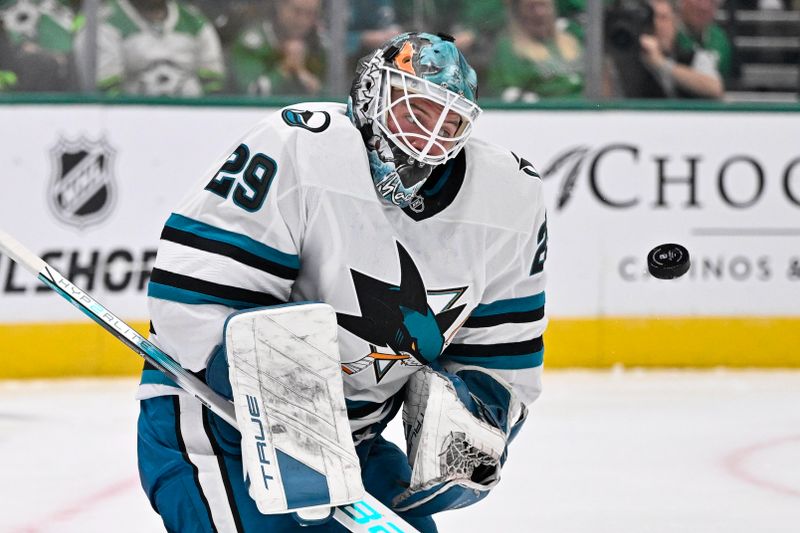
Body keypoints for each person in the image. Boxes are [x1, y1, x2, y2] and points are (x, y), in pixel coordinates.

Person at [137, 32, 548, 532]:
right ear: (371, 93)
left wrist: (470, 433)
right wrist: (285, 408)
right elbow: (196, 295)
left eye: (451, 121)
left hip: (358, 442)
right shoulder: (297, 144)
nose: (430, 135)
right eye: (414, 110)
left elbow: (502, 357)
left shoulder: (509, 197)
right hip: (219, 427)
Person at [74, 0, 224, 96]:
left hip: (194, 121)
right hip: (131, 123)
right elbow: (107, 91)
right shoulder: (104, 21)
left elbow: (213, 83)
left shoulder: (194, 21)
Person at [607, 0, 724, 99]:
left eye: (664, 18)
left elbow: (715, 88)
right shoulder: (626, 62)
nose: (659, 25)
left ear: (676, 21)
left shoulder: (694, 56)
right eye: (653, 19)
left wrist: (660, 63)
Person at [486, 0, 584, 101]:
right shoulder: (509, 48)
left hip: (585, 112)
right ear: (519, 12)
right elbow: (506, 91)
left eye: (544, 6)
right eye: (531, 7)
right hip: (542, 112)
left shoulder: (572, 41)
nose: (540, 13)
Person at [229, 0, 326, 96]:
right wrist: (284, 69)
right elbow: (249, 92)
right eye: (297, 11)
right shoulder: (252, 43)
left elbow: (334, 91)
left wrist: (315, 87)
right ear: (280, 6)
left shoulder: (321, 44)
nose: (303, 20)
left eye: (311, 14)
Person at [675, 0, 733, 82]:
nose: (704, 7)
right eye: (698, 0)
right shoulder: (668, 34)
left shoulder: (720, 39)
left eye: (712, 2)